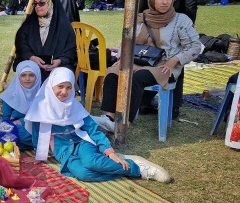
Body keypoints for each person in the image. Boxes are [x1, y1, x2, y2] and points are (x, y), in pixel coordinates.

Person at [24, 67, 171, 182]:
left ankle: (138, 169)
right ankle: (119, 164)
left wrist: (110, 151)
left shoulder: (74, 106)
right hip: (64, 151)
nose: (64, 92)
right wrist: (39, 154)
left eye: (69, 88)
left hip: (82, 142)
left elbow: (92, 130)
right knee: (83, 173)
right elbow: (38, 135)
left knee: (92, 162)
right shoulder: (40, 108)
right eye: (60, 86)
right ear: (51, 87)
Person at [94, 0, 202, 131]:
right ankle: (109, 117)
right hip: (138, 60)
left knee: (137, 78)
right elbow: (126, 42)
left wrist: (175, 60)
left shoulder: (180, 20)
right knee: (113, 73)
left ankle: (124, 124)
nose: (165, 2)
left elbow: (195, 46)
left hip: (164, 66)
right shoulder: (139, 18)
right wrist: (122, 59)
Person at [139, 0, 202, 119]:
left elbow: (140, 9)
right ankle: (173, 107)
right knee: (177, 65)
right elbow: (191, 7)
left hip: (152, 30)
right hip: (180, 29)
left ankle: (144, 102)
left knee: (149, 61)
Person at [13, 0, 77, 81]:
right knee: (27, 70)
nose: (37, 7)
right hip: (32, 63)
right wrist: (31, 57)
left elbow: (70, 49)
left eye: (41, 3)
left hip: (57, 66)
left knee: (62, 74)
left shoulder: (64, 26)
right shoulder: (29, 24)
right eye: (35, 4)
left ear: (51, 3)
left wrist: (59, 61)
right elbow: (21, 43)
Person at [0, 60, 42, 148]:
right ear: (18, 77)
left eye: (31, 75)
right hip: (16, 129)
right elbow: (6, 121)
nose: (27, 79)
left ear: (37, 77)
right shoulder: (10, 95)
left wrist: (22, 121)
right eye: (23, 75)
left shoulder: (42, 95)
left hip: (35, 127)